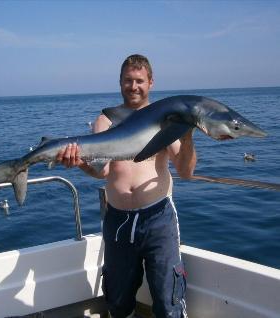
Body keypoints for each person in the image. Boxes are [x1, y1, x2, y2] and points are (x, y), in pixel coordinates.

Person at [56, 54, 196, 318]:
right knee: (119, 304)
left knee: (168, 303)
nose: (134, 87)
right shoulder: (106, 121)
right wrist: (79, 164)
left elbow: (186, 171)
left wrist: (187, 135)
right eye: (128, 81)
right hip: (117, 221)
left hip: (158, 220)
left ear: (151, 82)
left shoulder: (166, 119)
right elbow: (103, 171)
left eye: (140, 81)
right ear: (120, 82)